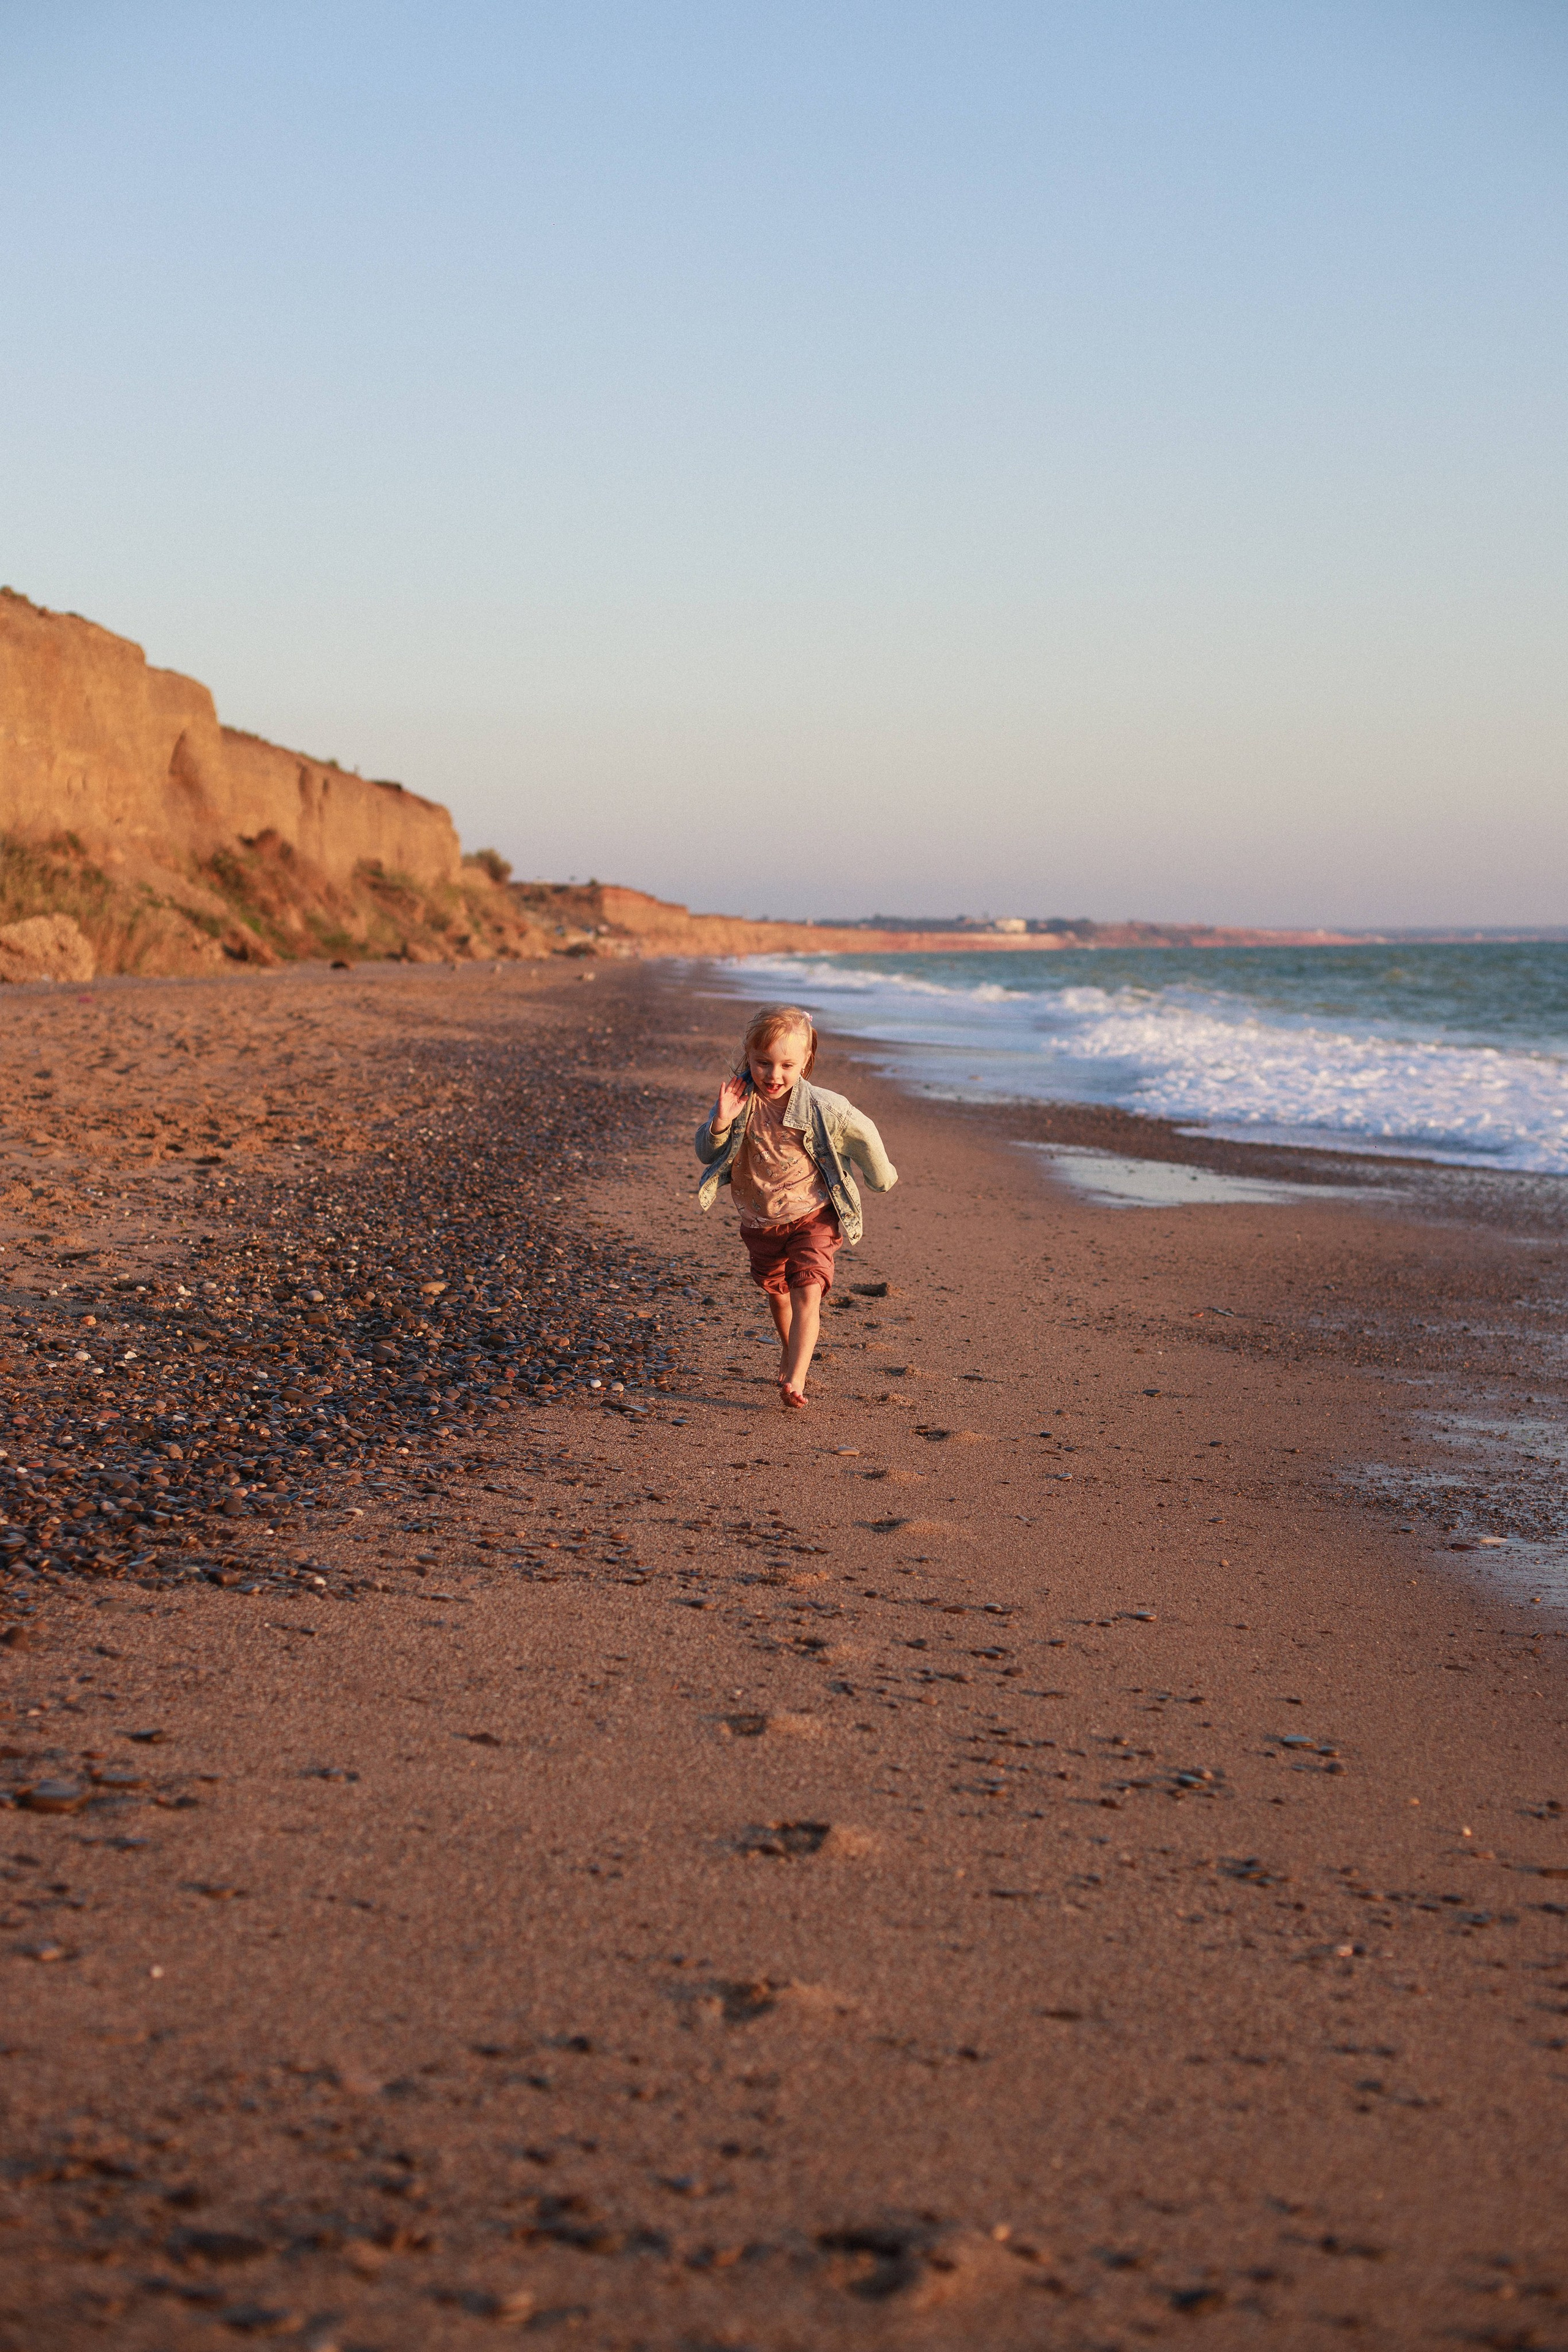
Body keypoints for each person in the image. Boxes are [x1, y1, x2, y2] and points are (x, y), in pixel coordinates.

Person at [694, 1003, 898, 1409]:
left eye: (787, 1065)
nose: (774, 1075)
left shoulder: (825, 1106)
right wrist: (720, 1121)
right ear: (749, 1057)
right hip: (760, 1220)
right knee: (778, 1291)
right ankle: (791, 1351)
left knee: (809, 1288)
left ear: (806, 1060)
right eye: (763, 1063)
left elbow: (865, 1132)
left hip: (813, 1215)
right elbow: (705, 1152)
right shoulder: (738, 1101)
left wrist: (881, 1177)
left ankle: (796, 1376)